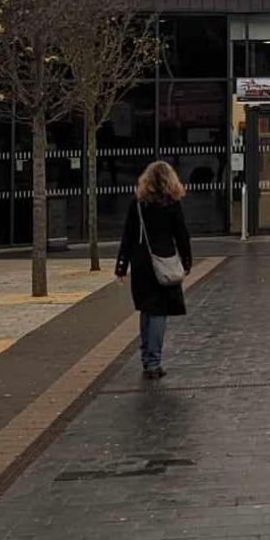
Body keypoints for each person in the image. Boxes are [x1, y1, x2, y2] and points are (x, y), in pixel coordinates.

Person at [115, 160, 194, 379]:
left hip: (141, 264)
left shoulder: (138, 204)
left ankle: (146, 358)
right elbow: (181, 234)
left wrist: (121, 266)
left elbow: (128, 236)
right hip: (164, 263)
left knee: (147, 310)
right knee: (159, 312)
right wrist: (187, 261)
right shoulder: (171, 203)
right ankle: (153, 361)